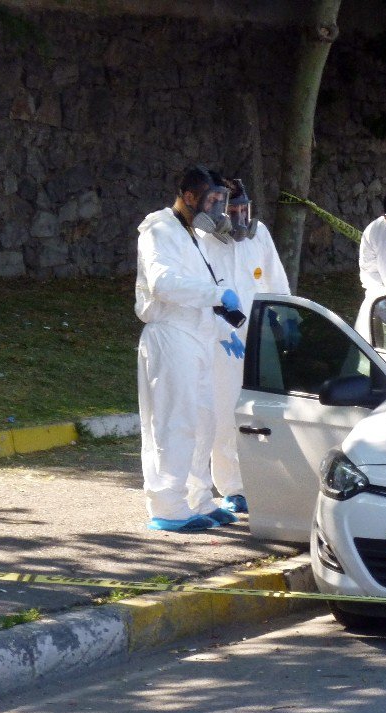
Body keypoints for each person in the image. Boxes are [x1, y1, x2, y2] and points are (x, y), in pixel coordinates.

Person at [135, 165, 243, 532]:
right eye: (212, 199)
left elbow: (197, 291)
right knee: (174, 422)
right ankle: (168, 506)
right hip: (170, 336)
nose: (218, 208)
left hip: (196, 337)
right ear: (190, 196)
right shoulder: (159, 228)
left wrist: (221, 327)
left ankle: (197, 499)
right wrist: (215, 295)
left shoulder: (192, 235)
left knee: (203, 420)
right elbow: (164, 284)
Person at [199, 178, 291, 514]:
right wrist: (222, 332)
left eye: (243, 210)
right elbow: (202, 292)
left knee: (266, 412)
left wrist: (288, 319)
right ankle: (233, 486)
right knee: (225, 411)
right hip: (223, 340)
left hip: (261, 336)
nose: (239, 217)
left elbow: (275, 280)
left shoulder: (260, 234)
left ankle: (269, 478)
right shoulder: (203, 240)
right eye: (232, 210)